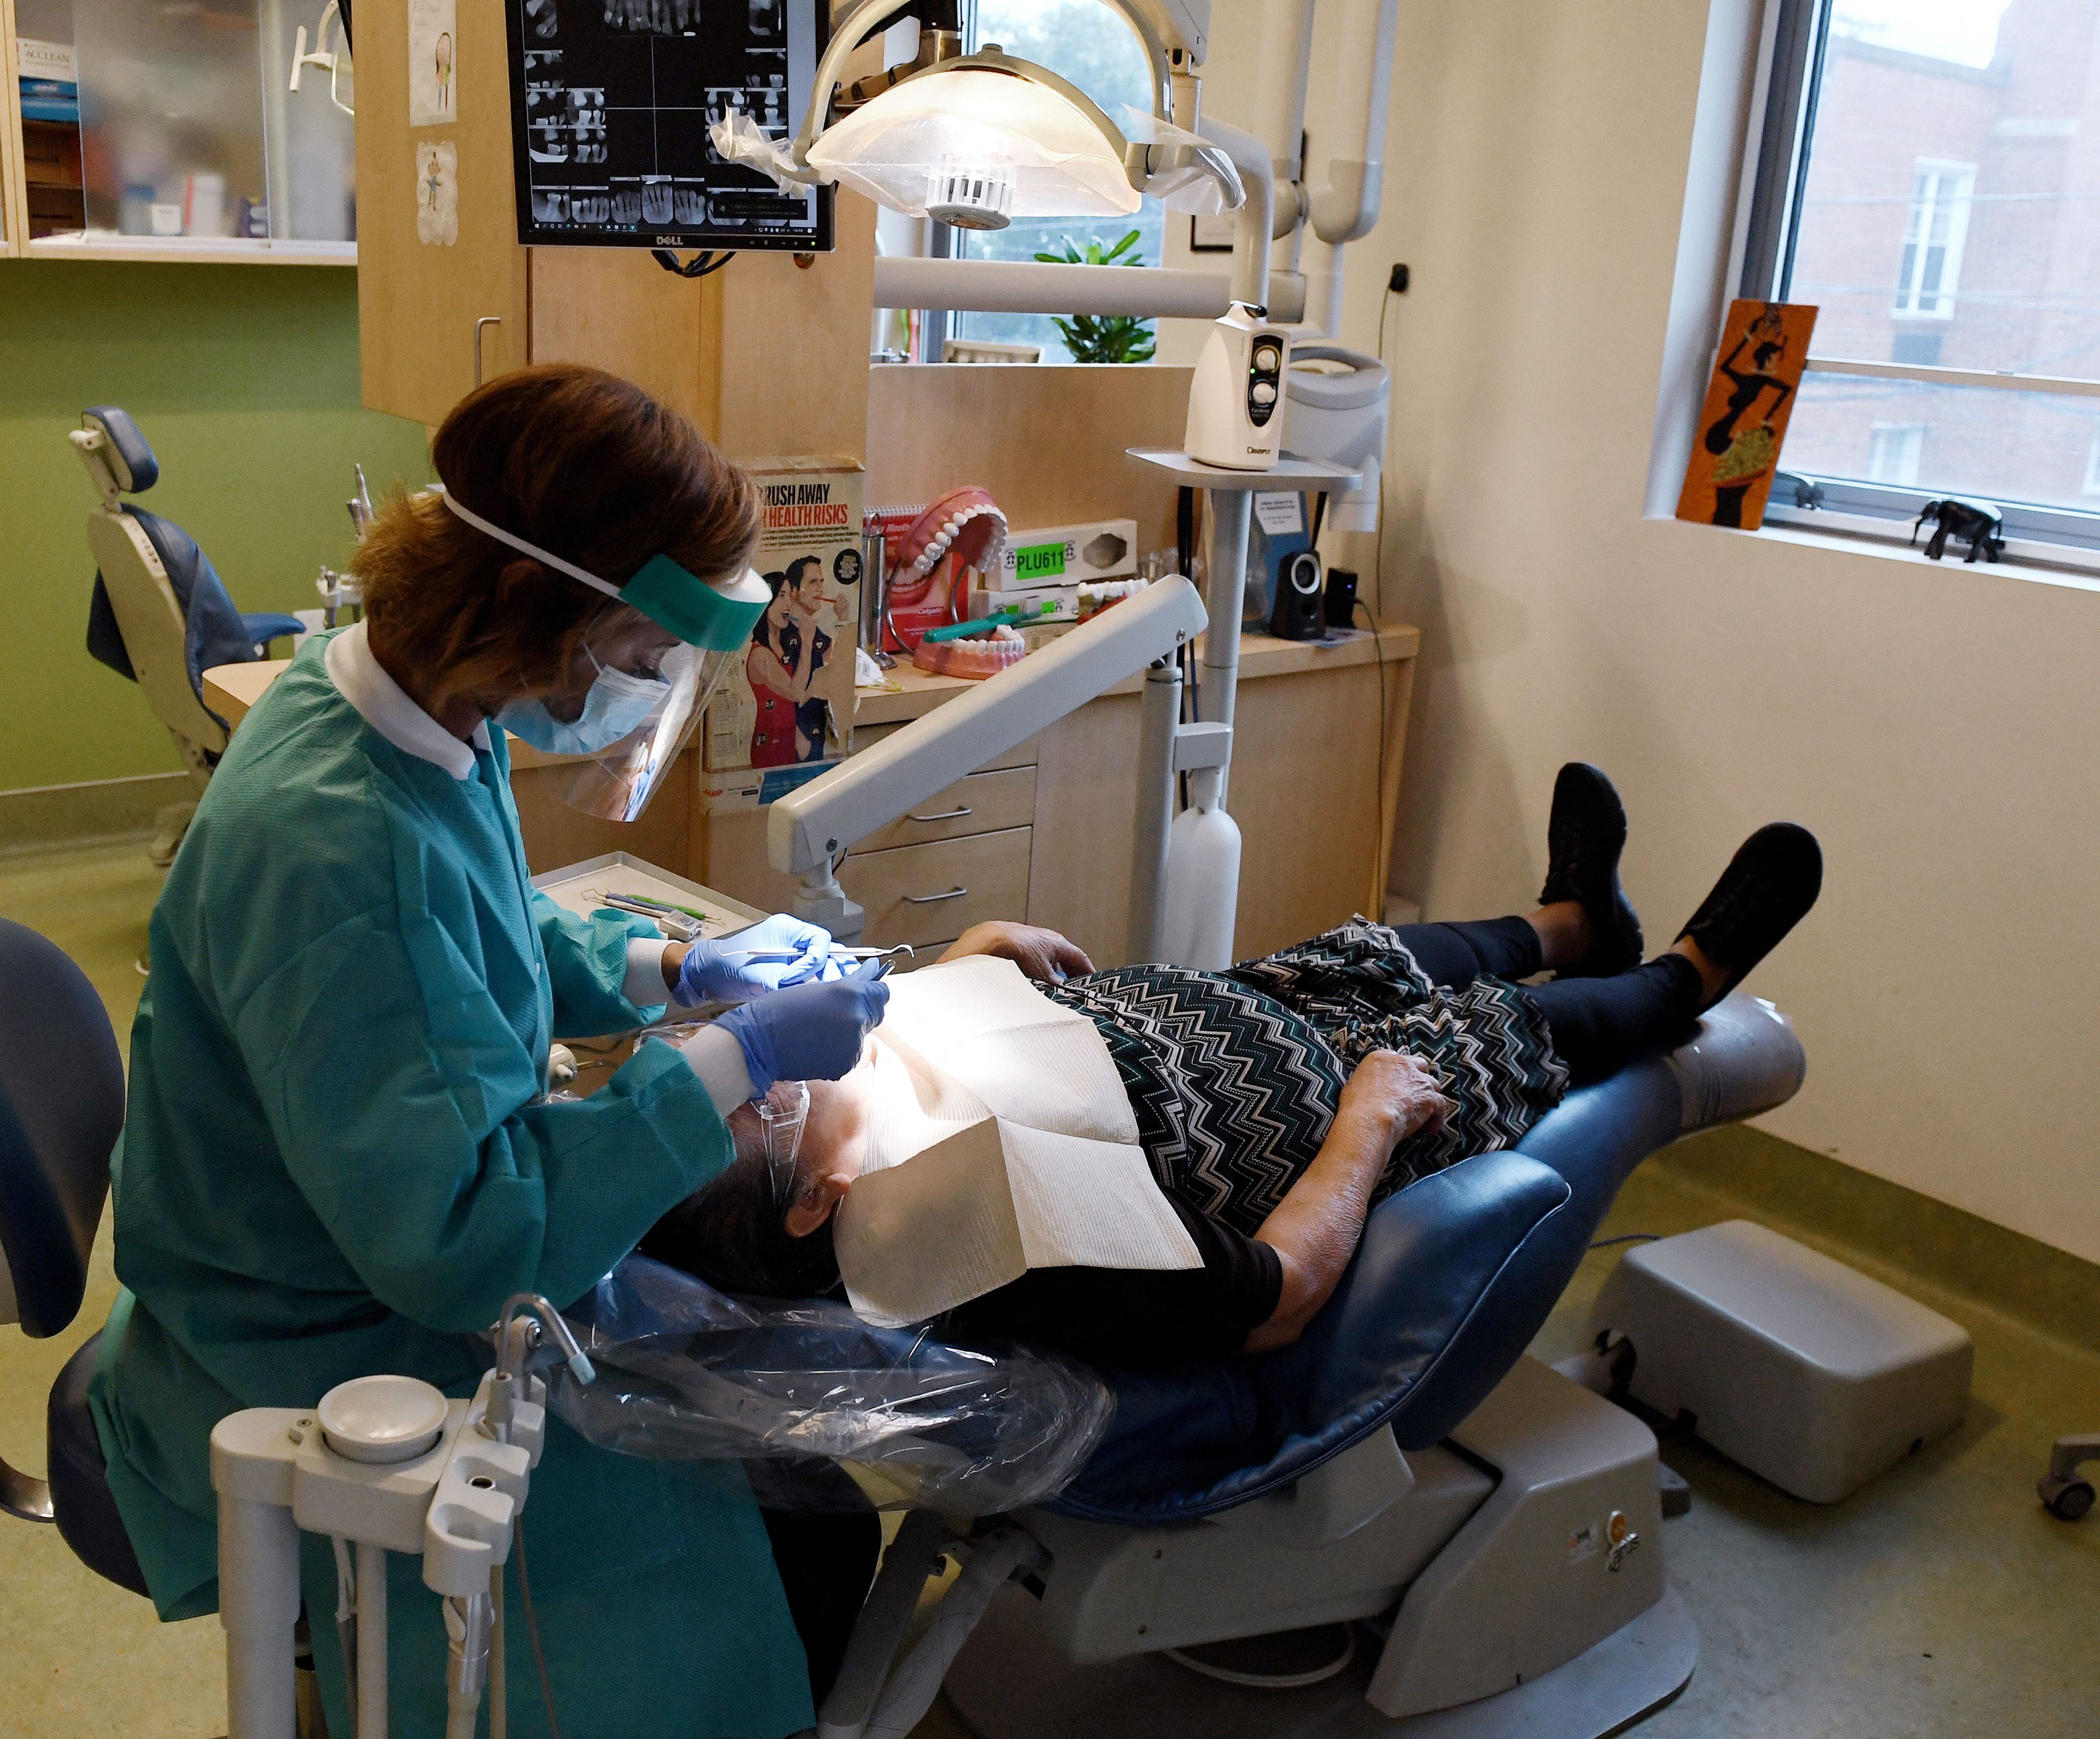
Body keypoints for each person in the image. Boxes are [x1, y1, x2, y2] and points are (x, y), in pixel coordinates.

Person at [91, 364, 891, 1739]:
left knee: (772, 1445)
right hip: (314, 1334)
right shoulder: (336, 843)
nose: (642, 693)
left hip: (355, 1240)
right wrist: (732, 1059)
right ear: (541, 614)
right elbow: (464, 1237)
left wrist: (672, 967)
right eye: (641, 657)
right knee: (783, 1519)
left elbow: (485, 923)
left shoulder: (381, 708)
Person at [642, 765, 1825, 1370]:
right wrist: (1365, 1126)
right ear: (816, 1202)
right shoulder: (1006, 1243)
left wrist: (968, 961)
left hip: (1249, 1006)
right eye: (768, 1086)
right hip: (1331, 1105)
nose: (770, 1049)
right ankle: (1686, 976)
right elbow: (1268, 1300)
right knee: (1493, 1038)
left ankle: (1570, 922)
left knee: (1367, 951)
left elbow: (888, 1055)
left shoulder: (850, 1117)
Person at [746, 555, 833, 766]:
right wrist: (807, 641)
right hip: (771, 746)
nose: (788, 603)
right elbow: (794, 693)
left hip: (790, 744)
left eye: (788, 596)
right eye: (781, 596)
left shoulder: (782, 643)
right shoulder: (760, 655)